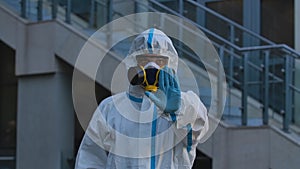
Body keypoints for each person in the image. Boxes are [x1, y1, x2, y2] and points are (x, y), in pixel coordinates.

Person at [75, 28, 209, 169]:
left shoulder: (186, 105)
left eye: (160, 61)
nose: (152, 66)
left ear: (170, 65)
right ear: (133, 63)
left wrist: (178, 110)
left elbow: (198, 129)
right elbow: (90, 159)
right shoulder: (111, 108)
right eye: (144, 60)